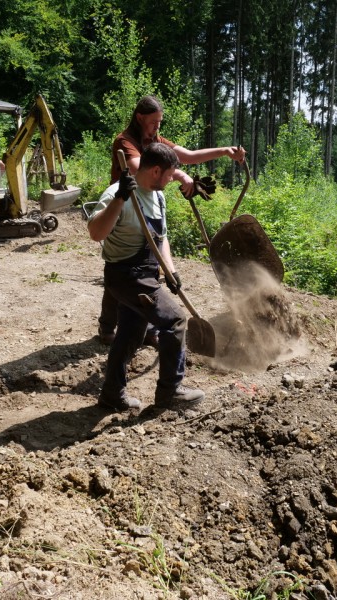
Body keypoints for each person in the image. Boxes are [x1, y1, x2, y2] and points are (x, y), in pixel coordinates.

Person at [98, 95, 246, 346]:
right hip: (124, 205)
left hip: (148, 203)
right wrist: (179, 176)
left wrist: (224, 151)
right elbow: (137, 167)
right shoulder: (125, 142)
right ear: (140, 118)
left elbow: (187, 155)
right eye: (154, 122)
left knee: (143, 265)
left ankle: (138, 327)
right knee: (120, 264)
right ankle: (108, 327)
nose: (158, 127)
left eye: (160, 122)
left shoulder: (154, 140)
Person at [87, 143, 204, 412]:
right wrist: (119, 199)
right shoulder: (118, 194)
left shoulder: (157, 195)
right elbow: (96, 233)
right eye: (170, 174)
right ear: (154, 171)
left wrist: (170, 270)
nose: (171, 179)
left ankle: (111, 394)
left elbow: (160, 238)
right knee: (174, 320)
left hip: (147, 272)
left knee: (130, 333)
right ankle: (169, 393)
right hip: (125, 274)